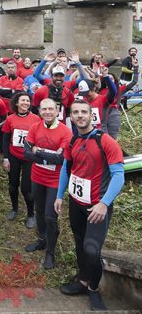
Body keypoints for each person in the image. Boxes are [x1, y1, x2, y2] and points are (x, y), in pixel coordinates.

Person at [55, 100, 124, 311]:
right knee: (79, 242)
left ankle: (94, 288)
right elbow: (67, 168)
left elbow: (118, 176)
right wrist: (59, 196)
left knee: (92, 250)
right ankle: (83, 280)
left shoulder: (106, 141)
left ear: (91, 115)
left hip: (96, 207)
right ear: (71, 117)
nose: (80, 115)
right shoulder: (73, 140)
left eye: (84, 112)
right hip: (76, 204)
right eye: (75, 112)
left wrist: (104, 204)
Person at [22, 98, 72, 269]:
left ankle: (50, 252)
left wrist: (38, 151)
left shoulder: (66, 132)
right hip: (37, 177)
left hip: (55, 180)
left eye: (51, 109)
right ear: (40, 111)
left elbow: (61, 158)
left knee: (51, 217)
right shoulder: (35, 127)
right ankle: (42, 239)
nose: (48, 112)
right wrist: (42, 154)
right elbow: (26, 152)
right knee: (39, 211)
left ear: (57, 110)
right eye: (44, 109)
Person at [2, 92, 40, 228]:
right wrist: (5, 158)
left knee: (26, 189)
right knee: (12, 186)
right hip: (14, 156)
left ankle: (31, 214)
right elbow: (5, 140)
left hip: (29, 158)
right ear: (16, 103)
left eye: (28, 101)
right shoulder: (10, 119)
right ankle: (14, 208)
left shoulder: (36, 119)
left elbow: (39, 138)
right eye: (23, 100)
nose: (26, 103)